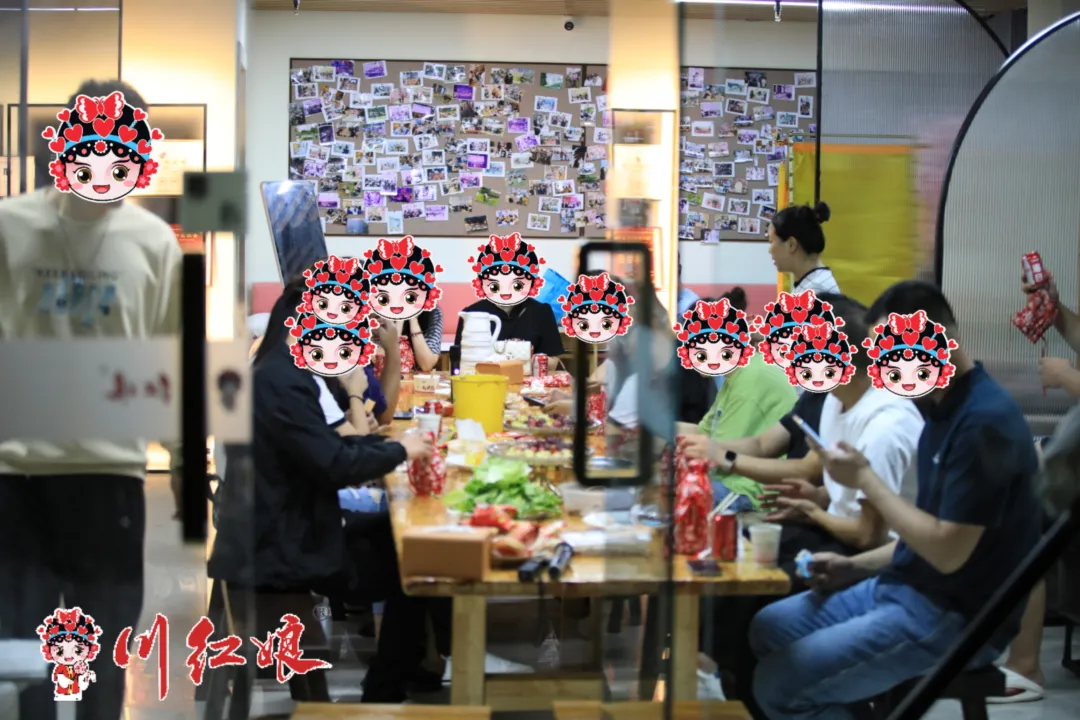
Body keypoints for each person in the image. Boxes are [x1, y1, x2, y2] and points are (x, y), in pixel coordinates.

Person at [750, 280, 1042, 719]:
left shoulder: (983, 424)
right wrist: (854, 567)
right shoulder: (941, 408)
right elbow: (920, 532)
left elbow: (946, 551)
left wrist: (865, 479)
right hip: (903, 585)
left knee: (776, 685)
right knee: (766, 627)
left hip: (952, 615)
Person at [0, 80, 180, 720]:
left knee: (103, 654)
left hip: (109, 471)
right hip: (17, 472)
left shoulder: (154, 241)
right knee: (24, 656)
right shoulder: (10, 225)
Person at [209, 279, 435, 704]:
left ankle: (401, 671)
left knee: (405, 543)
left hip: (284, 525)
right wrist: (400, 450)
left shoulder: (283, 371)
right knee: (418, 562)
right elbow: (334, 465)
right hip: (282, 547)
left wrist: (388, 447)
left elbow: (331, 447)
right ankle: (387, 687)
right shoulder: (282, 381)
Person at [694, 304, 797, 510]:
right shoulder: (737, 374)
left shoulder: (749, 378)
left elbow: (720, 451)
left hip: (750, 487)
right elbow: (703, 432)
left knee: (678, 493)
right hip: (739, 479)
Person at [454, 234, 564, 359]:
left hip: (528, 372)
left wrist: (531, 360)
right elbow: (459, 359)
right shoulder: (471, 314)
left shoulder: (541, 312)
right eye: (495, 286)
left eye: (517, 285)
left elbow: (553, 359)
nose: (506, 293)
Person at [767, 201, 840, 296]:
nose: (769, 250)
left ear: (791, 245)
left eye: (771, 241)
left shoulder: (816, 290)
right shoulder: (813, 282)